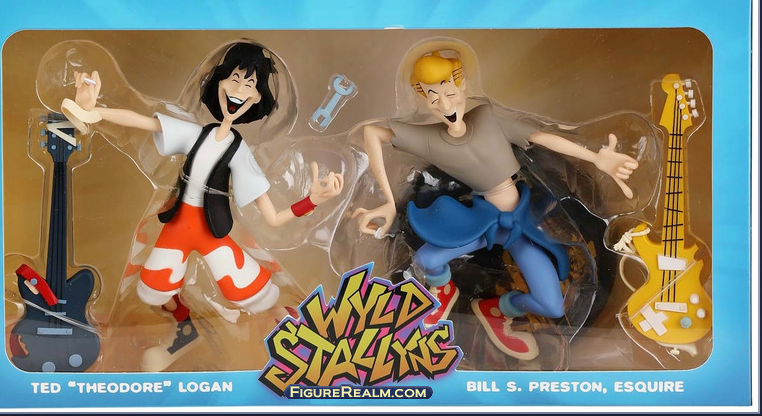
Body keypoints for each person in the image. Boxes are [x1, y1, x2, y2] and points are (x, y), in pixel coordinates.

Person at [65, 42, 343, 370]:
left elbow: (272, 216)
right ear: (219, 81)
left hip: (214, 231)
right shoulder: (194, 133)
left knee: (251, 293)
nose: (239, 91)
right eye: (234, 79)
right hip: (178, 224)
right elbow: (142, 121)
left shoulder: (241, 153)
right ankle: (186, 330)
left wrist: (312, 200)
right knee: (151, 289)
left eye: (250, 85)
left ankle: (287, 328)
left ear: (258, 99)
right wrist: (93, 112)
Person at [352, 50, 637, 360]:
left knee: (552, 305)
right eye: (434, 99)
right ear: (424, 100)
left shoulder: (488, 118)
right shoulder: (431, 140)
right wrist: (389, 201)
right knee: (426, 260)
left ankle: (498, 310)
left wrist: (595, 157)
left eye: (450, 94)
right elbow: (372, 132)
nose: (445, 106)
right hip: (484, 221)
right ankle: (444, 290)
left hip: (521, 225)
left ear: (462, 87)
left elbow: (541, 136)